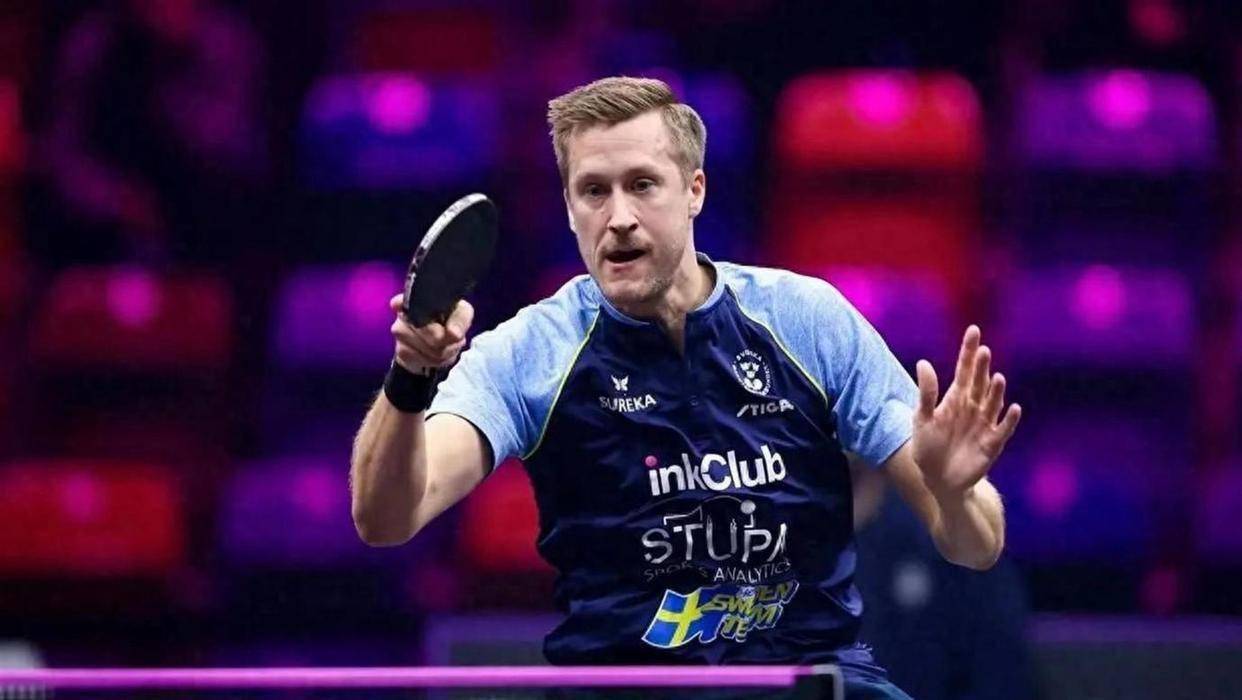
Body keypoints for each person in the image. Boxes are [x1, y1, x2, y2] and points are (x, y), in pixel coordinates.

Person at [350, 77, 1021, 698]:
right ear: (570, 208)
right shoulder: (531, 353)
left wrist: (953, 490)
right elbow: (386, 519)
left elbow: (976, 545)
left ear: (695, 190)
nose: (618, 216)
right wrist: (412, 376)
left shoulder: (809, 322)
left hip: (806, 683)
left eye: (643, 185)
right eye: (593, 191)